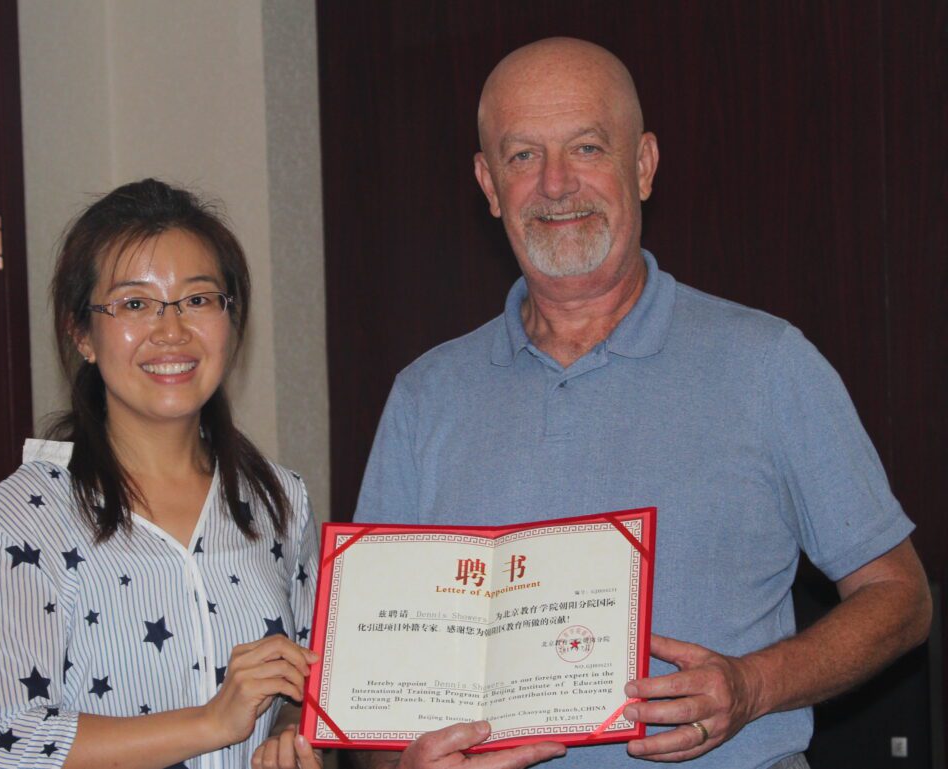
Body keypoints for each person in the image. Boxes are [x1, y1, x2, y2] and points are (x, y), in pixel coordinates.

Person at [352, 38, 932, 769]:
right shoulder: (423, 398)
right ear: (489, 183)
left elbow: (901, 597)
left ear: (644, 165)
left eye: (588, 147)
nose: (557, 185)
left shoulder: (768, 364)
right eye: (523, 155)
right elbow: (372, 695)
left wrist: (753, 684)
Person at [0, 179, 321, 769]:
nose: (171, 331)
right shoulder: (28, 514)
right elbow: (1, 743)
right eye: (134, 303)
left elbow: (310, 679)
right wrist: (210, 723)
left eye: (198, 300)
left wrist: (291, 730)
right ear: (82, 334)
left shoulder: (280, 499)